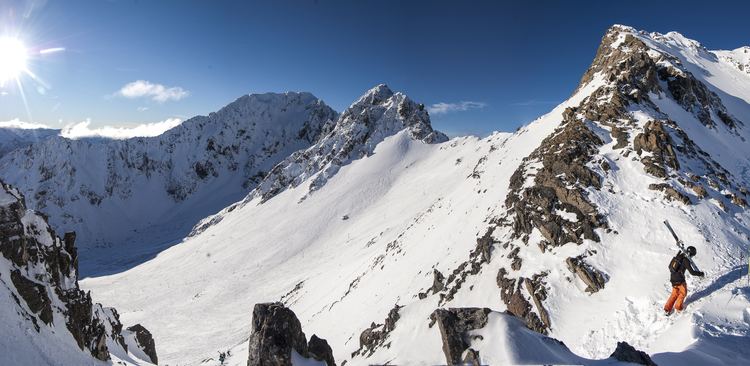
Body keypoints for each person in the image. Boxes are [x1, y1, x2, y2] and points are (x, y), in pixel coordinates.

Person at [664, 246, 704, 315]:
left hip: (673, 278)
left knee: (674, 294)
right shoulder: (686, 260)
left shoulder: (679, 256)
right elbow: (692, 272)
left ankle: (667, 309)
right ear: (691, 254)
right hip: (680, 280)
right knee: (683, 293)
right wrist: (700, 274)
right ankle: (678, 307)